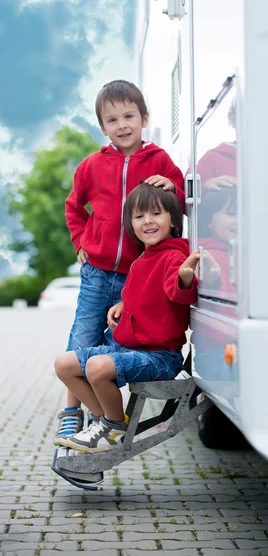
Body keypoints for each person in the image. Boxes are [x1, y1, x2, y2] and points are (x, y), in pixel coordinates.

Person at [55, 80, 185, 445]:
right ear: (103, 127)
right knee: (81, 340)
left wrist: (172, 186)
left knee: (116, 343)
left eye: (129, 116)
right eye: (112, 120)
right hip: (97, 273)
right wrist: (80, 240)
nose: (122, 124)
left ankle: (107, 418)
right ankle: (74, 413)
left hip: (134, 272)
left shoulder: (158, 160)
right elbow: (73, 207)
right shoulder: (91, 166)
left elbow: (178, 201)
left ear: (144, 118)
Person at [54, 183, 199, 453]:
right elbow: (149, 293)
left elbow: (177, 290)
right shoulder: (142, 259)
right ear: (130, 224)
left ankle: (112, 427)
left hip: (159, 357)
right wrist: (123, 303)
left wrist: (185, 277)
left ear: (173, 219)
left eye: (156, 213)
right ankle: (104, 422)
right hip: (131, 348)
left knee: (97, 367)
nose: (148, 222)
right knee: (64, 364)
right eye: (139, 216)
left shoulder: (173, 256)